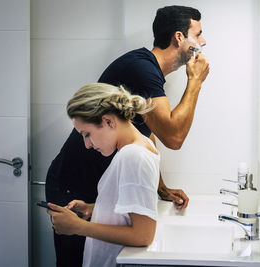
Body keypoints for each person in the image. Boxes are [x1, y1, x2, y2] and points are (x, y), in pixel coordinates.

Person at [45, 5, 209, 267]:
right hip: (75, 180)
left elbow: (147, 134)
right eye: (198, 34)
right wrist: (195, 82)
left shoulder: (146, 70)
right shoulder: (142, 69)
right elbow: (174, 137)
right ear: (179, 38)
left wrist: (161, 188)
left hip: (95, 181)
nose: (203, 41)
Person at [47, 83, 159, 267]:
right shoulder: (142, 145)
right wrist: (94, 208)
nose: (87, 145)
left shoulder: (133, 156)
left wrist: (78, 227)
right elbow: (131, 208)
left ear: (108, 121)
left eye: (87, 134)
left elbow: (143, 235)